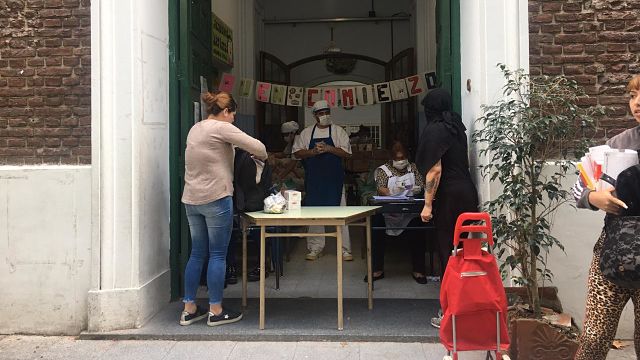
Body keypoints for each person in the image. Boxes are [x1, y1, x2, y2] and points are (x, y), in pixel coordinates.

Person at [180, 90, 267, 327]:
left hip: (191, 199)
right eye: (233, 115)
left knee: (197, 253)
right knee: (218, 254)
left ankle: (189, 308)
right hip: (216, 197)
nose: (233, 120)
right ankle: (216, 310)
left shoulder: (196, 128)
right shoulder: (222, 128)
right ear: (226, 111)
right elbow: (259, 147)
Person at [573, 75, 640, 360]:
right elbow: (579, 187)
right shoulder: (618, 144)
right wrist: (593, 198)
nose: (636, 103)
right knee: (593, 337)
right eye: (633, 95)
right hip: (613, 253)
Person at [415, 88, 479, 328]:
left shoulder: (435, 129)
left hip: (449, 197)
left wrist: (427, 204)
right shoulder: (456, 127)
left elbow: (435, 169)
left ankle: (450, 313)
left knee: (447, 253)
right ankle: (467, 307)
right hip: (467, 192)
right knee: (465, 252)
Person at [293, 100, 353, 261]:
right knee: (314, 214)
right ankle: (315, 247)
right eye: (321, 113)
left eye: (326, 112)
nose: (324, 116)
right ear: (315, 116)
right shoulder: (306, 133)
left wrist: (329, 149)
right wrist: (313, 151)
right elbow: (297, 152)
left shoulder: (338, 131)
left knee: (340, 213)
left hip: (334, 180)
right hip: (314, 180)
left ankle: (344, 249)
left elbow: (347, 153)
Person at [367, 140, 429, 284]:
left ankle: (418, 269)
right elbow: (380, 188)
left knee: (418, 226)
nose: (400, 161)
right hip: (388, 211)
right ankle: (377, 269)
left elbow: (421, 184)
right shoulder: (383, 170)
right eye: (397, 159)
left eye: (403, 158)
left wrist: (417, 188)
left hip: (409, 210)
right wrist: (392, 191)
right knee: (375, 226)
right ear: (391, 158)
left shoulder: (413, 168)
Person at [270, 121, 304, 191]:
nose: (285, 137)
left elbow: (292, 165)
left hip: (303, 171)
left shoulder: (298, 142)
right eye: (284, 135)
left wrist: (280, 176)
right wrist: (272, 154)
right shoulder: (291, 142)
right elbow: (284, 154)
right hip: (295, 170)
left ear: (293, 133)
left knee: (283, 186)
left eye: (286, 134)